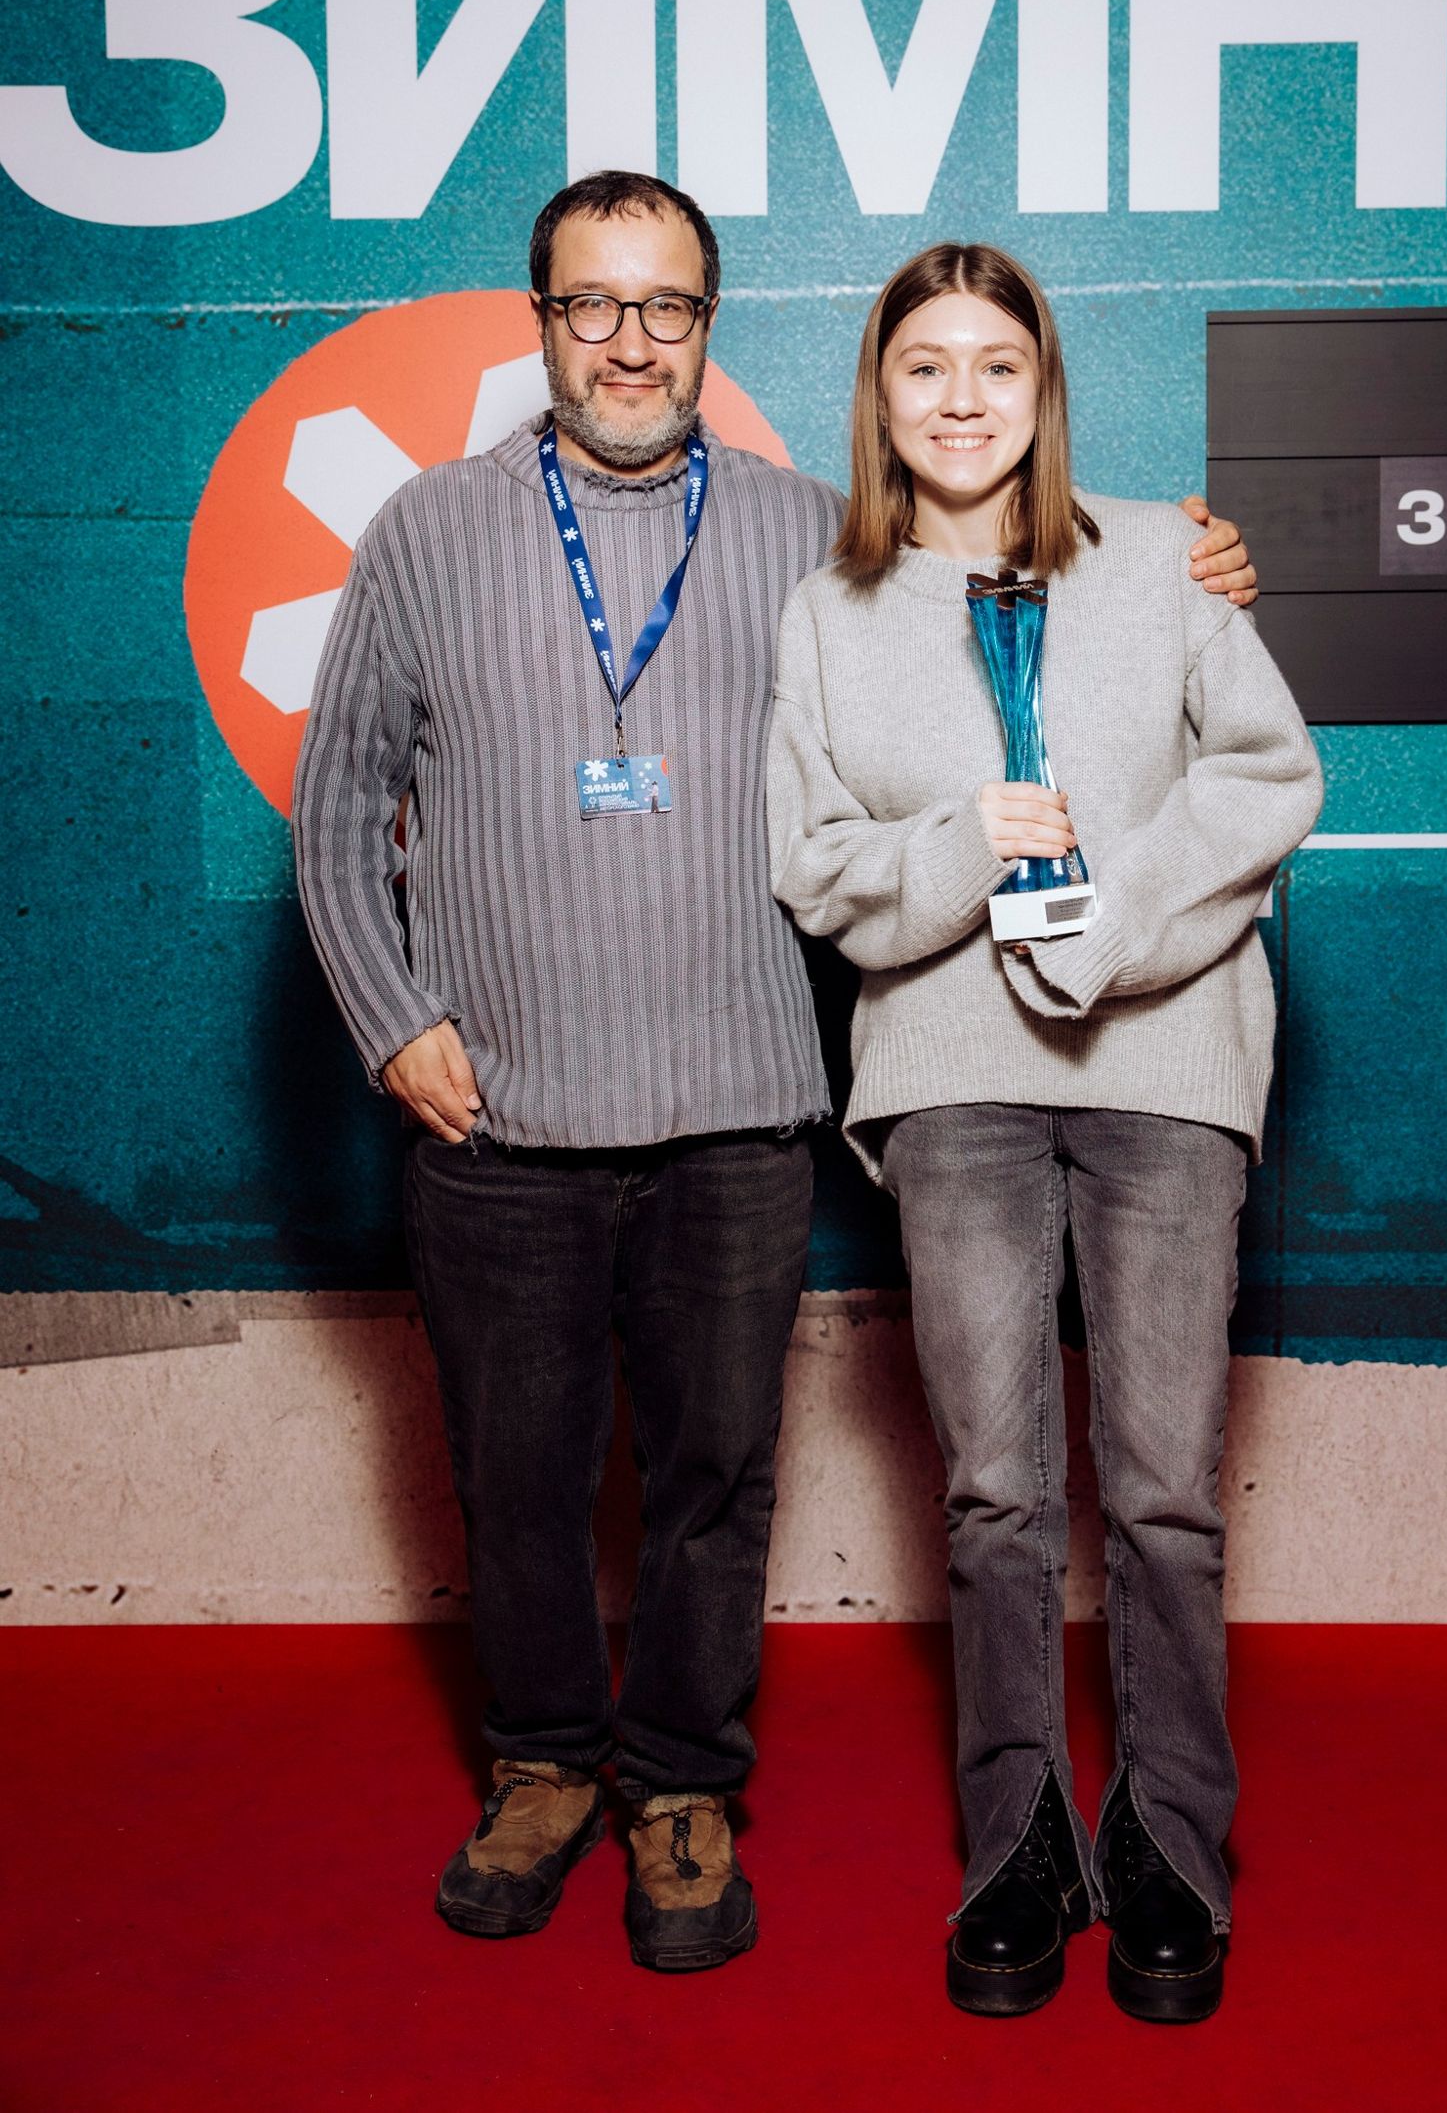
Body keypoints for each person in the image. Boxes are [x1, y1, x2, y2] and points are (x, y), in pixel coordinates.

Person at [292, 173, 1260, 1973]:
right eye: (593, 305)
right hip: (497, 1105)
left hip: (741, 1106)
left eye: (666, 307)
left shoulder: (817, 540)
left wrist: (1187, 557)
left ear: (709, 326)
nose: (630, 342)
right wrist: (389, 1013)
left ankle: (681, 1785)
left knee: (717, 1478)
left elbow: (1011, 571)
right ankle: (540, 1764)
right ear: (541, 322)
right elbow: (339, 804)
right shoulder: (426, 532)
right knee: (516, 1478)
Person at [768, 242, 1323, 2021]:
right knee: (995, 1490)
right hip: (951, 1076)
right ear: (880, 397)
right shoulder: (827, 612)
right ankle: (1017, 1838)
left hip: (1162, 1064)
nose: (961, 398)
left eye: (996, 365)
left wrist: (1114, 919)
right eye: (923, 366)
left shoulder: (1163, 559)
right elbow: (814, 863)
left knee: (1163, 1489)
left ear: (1044, 387)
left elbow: (1270, 774)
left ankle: (1172, 1840)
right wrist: (965, 850)